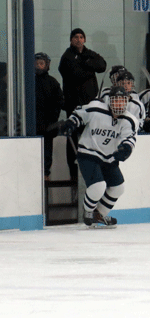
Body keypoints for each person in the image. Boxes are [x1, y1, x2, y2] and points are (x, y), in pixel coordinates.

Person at [58, 86, 138, 227]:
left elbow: (129, 139)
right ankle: (88, 211)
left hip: (109, 158)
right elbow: (79, 114)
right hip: (89, 153)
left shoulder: (130, 120)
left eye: (122, 101)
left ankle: (98, 214)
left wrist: (125, 150)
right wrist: (71, 123)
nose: (119, 104)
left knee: (118, 187)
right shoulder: (96, 108)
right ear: (109, 101)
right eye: (116, 101)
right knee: (98, 186)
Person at [58, 28, 107, 181]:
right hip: (74, 105)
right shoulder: (66, 57)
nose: (79, 40)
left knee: (92, 134)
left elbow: (102, 65)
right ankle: (73, 172)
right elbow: (76, 75)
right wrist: (91, 70)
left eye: (81, 37)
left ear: (84, 39)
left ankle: (94, 166)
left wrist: (85, 63)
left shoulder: (88, 54)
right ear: (71, 40)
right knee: (73, 136)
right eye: (75, 37)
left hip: (91, 104)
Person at [34, 52, 64, 180]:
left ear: (47, 65)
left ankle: (46, 174)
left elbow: (59, 103)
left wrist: (52, 121)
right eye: (36, 63)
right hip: (32, 125)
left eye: (42, 63)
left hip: (48, 125)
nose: (39, 66)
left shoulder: (53, 82)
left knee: (47, 151)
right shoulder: (27, 81)